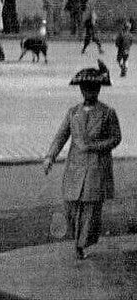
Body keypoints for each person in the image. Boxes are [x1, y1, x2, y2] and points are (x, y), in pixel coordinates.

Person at [43, 61, 123, 259]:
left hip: (97, 167)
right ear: (81, 90)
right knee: (71, 206)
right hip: (75, 166)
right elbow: (61, 136)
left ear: (98, 90)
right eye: (85, 88)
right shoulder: (73, 112)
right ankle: (77, 240)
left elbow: (116, 138)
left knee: (90, 209)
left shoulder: (107, 113)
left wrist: (95, 146)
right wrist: (50, 157)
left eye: (92, 88)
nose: (88, 92)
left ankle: (82, 244)